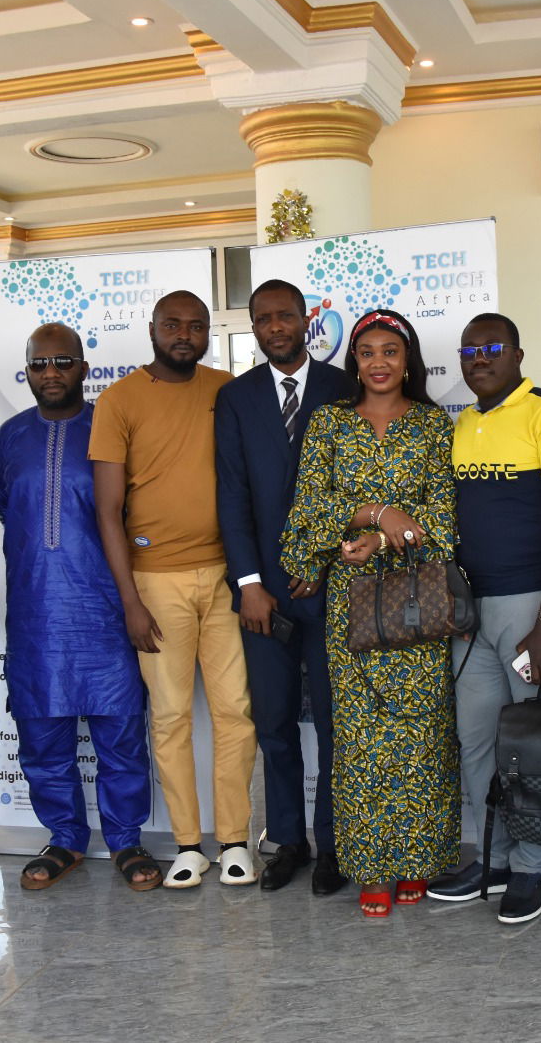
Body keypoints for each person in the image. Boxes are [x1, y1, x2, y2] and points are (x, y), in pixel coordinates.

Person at [280, 309, 459, 917]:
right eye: (366, 352)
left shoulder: (433, 426)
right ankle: (372, 865)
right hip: (350, 601)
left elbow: (444, 518)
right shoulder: (329, 423)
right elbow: (307, 513)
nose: (378, 362)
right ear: (353, 362)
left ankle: (419, 859)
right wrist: (374, 515)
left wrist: (384, 538)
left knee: (422, 731)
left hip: (418, 601)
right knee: (360, 736)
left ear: (408, 360)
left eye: (390, 351)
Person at [428, 312, 541, 926]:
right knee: (477, 740)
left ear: (518, 354)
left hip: (535, 604)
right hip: (477, 612)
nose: (480, 358)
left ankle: (532, 867)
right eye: (469, 350)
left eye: (493, 347)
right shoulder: (463, 424)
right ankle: (494, 859)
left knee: (535, 743)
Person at [90, 290, 258, 889]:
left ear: (208, 332)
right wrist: (130, 601)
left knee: (236, 711)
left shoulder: (227, 390)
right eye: (172, 325)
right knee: (169, 716)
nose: (184, 334)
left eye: (195, 326)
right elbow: (107, 510)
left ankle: (234, 840)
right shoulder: (119, 400)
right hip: (155, 582)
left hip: (227, 576)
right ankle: (189, 845)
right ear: (153, 329)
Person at [0, 323, 160, 892]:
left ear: (84, 368)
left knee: (120, 732)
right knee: (42, 735)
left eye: (63, 362)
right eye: (39, 364)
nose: (51, 372)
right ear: (27, 371)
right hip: (36, 610)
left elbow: (132, 512)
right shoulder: (10, 437)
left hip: (105, 607)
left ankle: (126, 839)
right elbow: (5, 505)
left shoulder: (108, 429)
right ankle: (64, 837)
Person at [216, 280, 355, 895]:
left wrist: (328, 562)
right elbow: (231, 494)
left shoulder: (344, 388)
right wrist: (248, 582)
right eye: (263, 319)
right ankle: (289, 842)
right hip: (264, 594)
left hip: (334, 584)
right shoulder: (236, 397)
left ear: (306, 322)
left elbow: (355, 488)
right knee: (273, 721)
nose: (275, 327)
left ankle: (334, 847)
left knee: (333, 721)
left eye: (285, 316)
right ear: (254, 328)